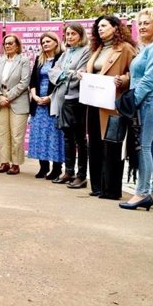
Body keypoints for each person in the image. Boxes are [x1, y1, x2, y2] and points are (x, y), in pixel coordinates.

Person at [120, 8, 153, 211]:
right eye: (139, 23)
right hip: (149, 100)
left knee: (143, 147)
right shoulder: (149, 47)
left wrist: (133, 99)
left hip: (150, 100)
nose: (141, 26)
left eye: (146, 23)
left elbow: (150, 77)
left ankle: (142, 193)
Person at [85, 15, 136, 198]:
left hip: (113, 104)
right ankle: (97, 186)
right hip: (94, 102)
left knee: (112, 145)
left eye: (104, 26)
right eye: (98, 26)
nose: (100, 29)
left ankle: (112, 189)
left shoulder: (126, 48)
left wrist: (122, 80)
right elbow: (92, 70)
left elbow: (135, 73)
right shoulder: (97, 48)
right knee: (95, 145)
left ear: (115, 28)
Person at [48, 23, 91, 187]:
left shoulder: (86, 50)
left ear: (80, 35)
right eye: (67, 34)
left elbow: (81, 73)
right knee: (67, 137)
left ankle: (81, 175)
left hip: (77, 98)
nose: (70, 37)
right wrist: (69, 74)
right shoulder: (66, 53)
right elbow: (53, 71)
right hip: (62, 98)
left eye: (73, 33)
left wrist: (65, 75)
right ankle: (69, 172)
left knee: (80, 138)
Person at [0, 34, 31, 175]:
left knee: (17, 135)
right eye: (5, 44)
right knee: (3, 133)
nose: (7, 46)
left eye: (10, 43)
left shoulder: (24, 61)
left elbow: (24, 82)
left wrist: (8, 96)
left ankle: (16, 164)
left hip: (18, 102)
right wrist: (0, 96)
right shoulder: (0, 61)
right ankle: (4, 162)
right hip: (1, 102)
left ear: (17, 45)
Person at [28, 32, 65, 180]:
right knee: (40, 134)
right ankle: (43, 167)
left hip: (53, 102)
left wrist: (50, 98)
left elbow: (62, 82)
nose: (45, 44)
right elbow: (33, 80)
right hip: (38, 103)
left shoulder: (61, 58)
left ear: (56, 42)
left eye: (48, 41)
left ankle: (56, 169)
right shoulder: (39, 59)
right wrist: (35, 96)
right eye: (43, 42)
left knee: (54, 135)